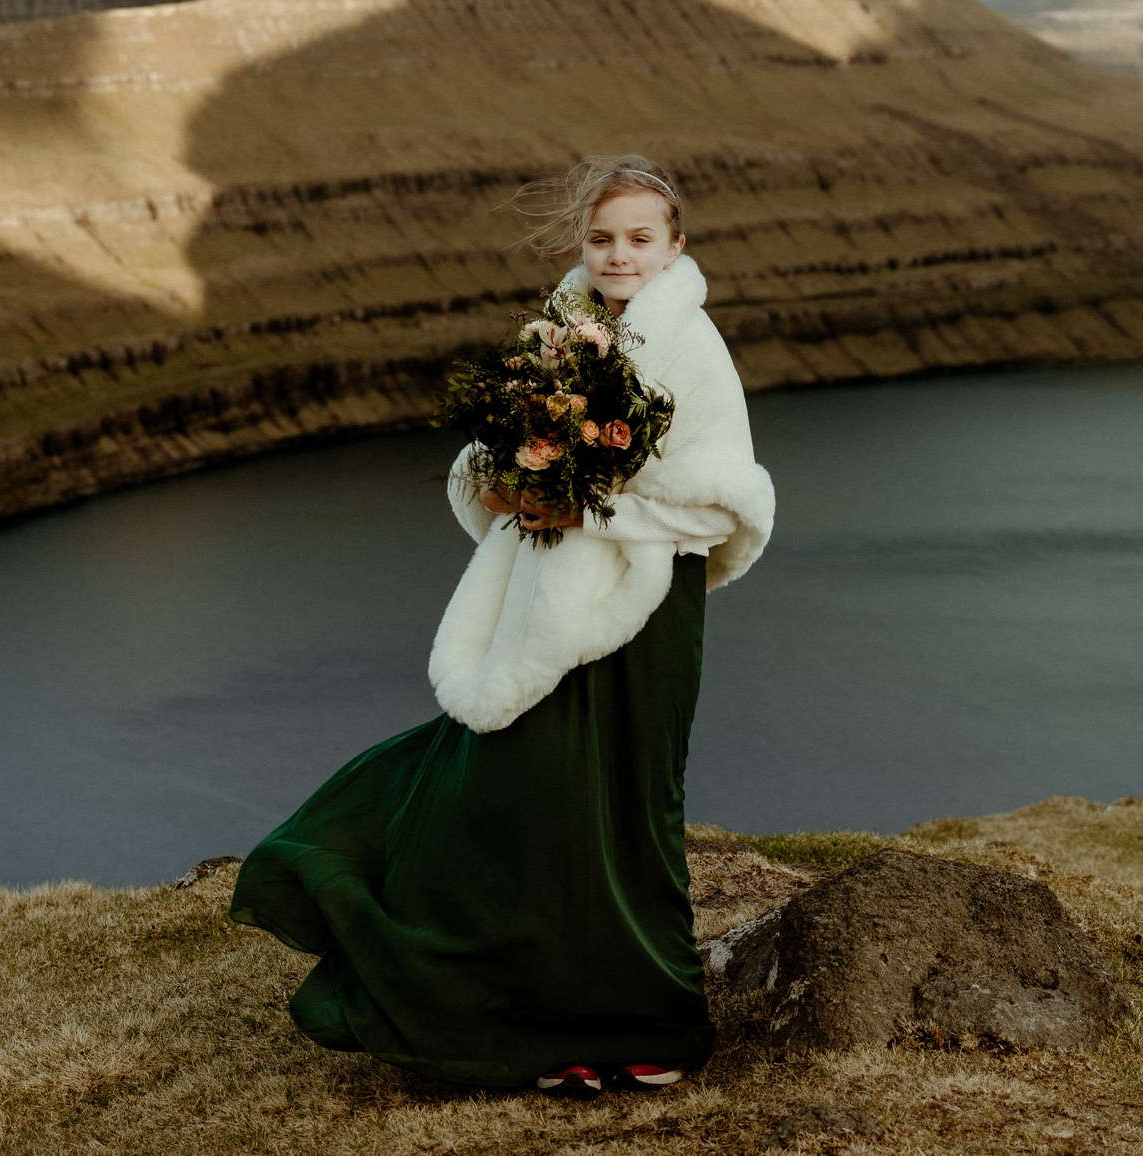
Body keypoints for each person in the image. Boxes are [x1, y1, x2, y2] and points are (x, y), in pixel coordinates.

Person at [229, 154, 777, 1095]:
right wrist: (507, 479)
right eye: (603, 238)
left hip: (645, 615)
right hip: (545, 606)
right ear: (582, 243)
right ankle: (539, 1029)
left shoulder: (695, 348)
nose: (620, 255)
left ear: (675, 244)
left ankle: (646, 1026)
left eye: (641, 239)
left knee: (626, 814)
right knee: (525, 805)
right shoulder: (558, 331)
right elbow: (492, 459)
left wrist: (590, 508)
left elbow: (724, 503)